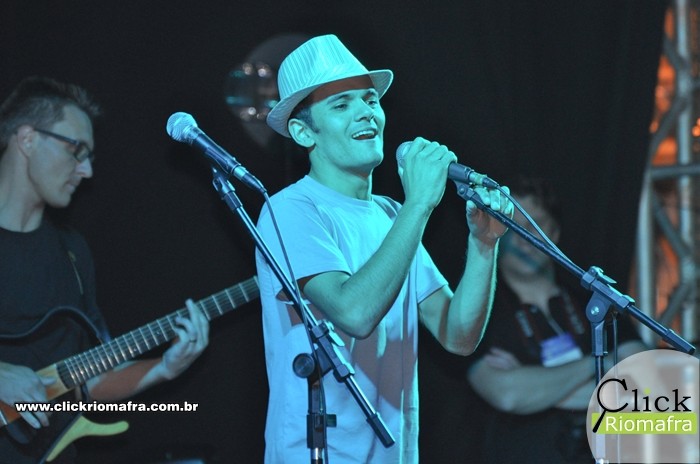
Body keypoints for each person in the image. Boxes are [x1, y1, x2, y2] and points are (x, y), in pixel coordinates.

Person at [254, 34, 513, 463]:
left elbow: (457, 335)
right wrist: (419, 204)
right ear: (303, 132)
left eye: (370, 100)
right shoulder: (290, 210)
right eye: (341, 105)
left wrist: (484, 244)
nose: (365, 113)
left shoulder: (391, 215)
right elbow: (354, 313)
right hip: (320, 455)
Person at [0, 76, 210, 463]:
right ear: (27, 139)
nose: (86, 171)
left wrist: (164, 367)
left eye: (89, 157)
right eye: (76, 150)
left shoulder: (72, 253)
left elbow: (90, 380)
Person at [466, 175, 647, 463]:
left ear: (554, 232)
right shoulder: (482, 310)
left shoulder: (594, 300)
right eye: (513, 226)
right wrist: (600, 365)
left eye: (535, 225)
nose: (524, 238)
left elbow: (644, 384)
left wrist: (537, 386)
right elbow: (508, 395)